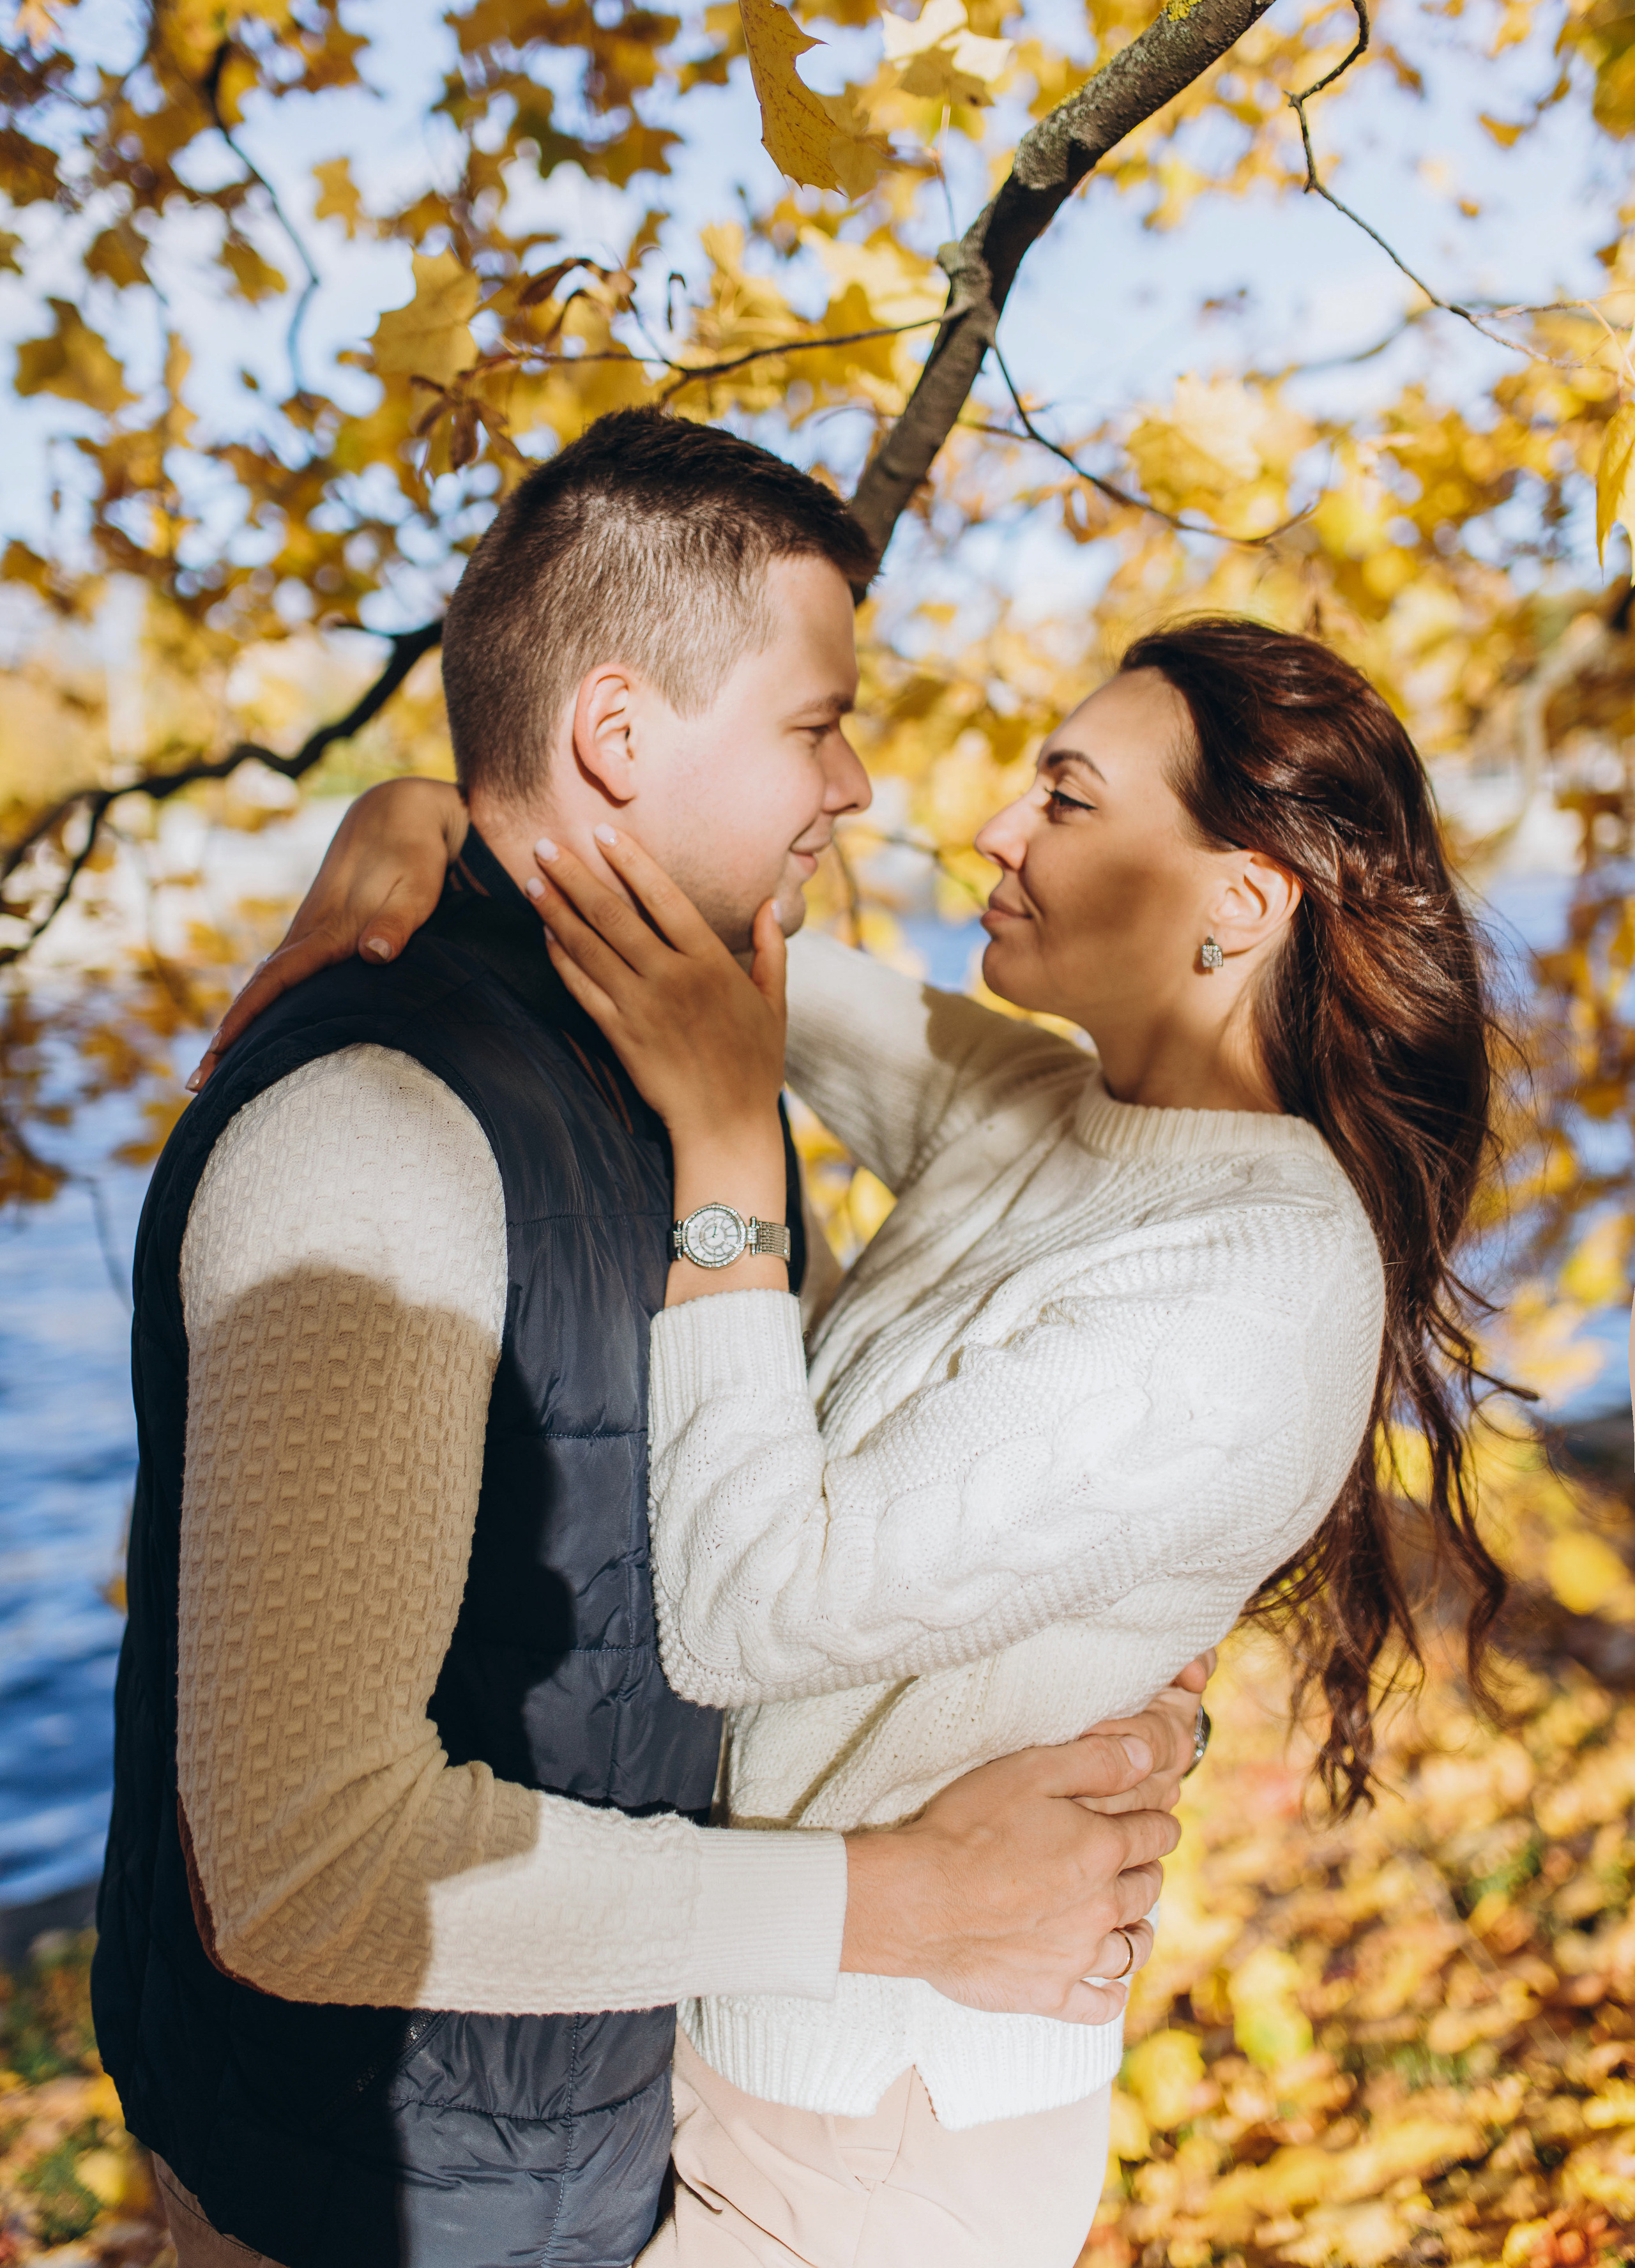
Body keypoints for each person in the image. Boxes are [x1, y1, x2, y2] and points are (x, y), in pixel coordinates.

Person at [213, 608, 1509, 2267]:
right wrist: (423, 811)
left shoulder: (1258, 1291)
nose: (994, 826)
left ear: (1238, 906)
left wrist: (728, 1180)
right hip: (736, 2013)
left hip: (884, 2137)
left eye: (1067, 796)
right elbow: (678, 944)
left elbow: (748, 1610)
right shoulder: (1047, 1106)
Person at [95, 409, 1198, 2268]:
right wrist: (910, 1905)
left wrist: (1080, 1669)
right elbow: (302, 1875)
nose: (856, 787)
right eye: (814, 722)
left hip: (601, 2147)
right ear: (617, 732)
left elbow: (781, 1523)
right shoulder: (377, 1138)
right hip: (363, 2199)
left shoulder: (707, 1086)